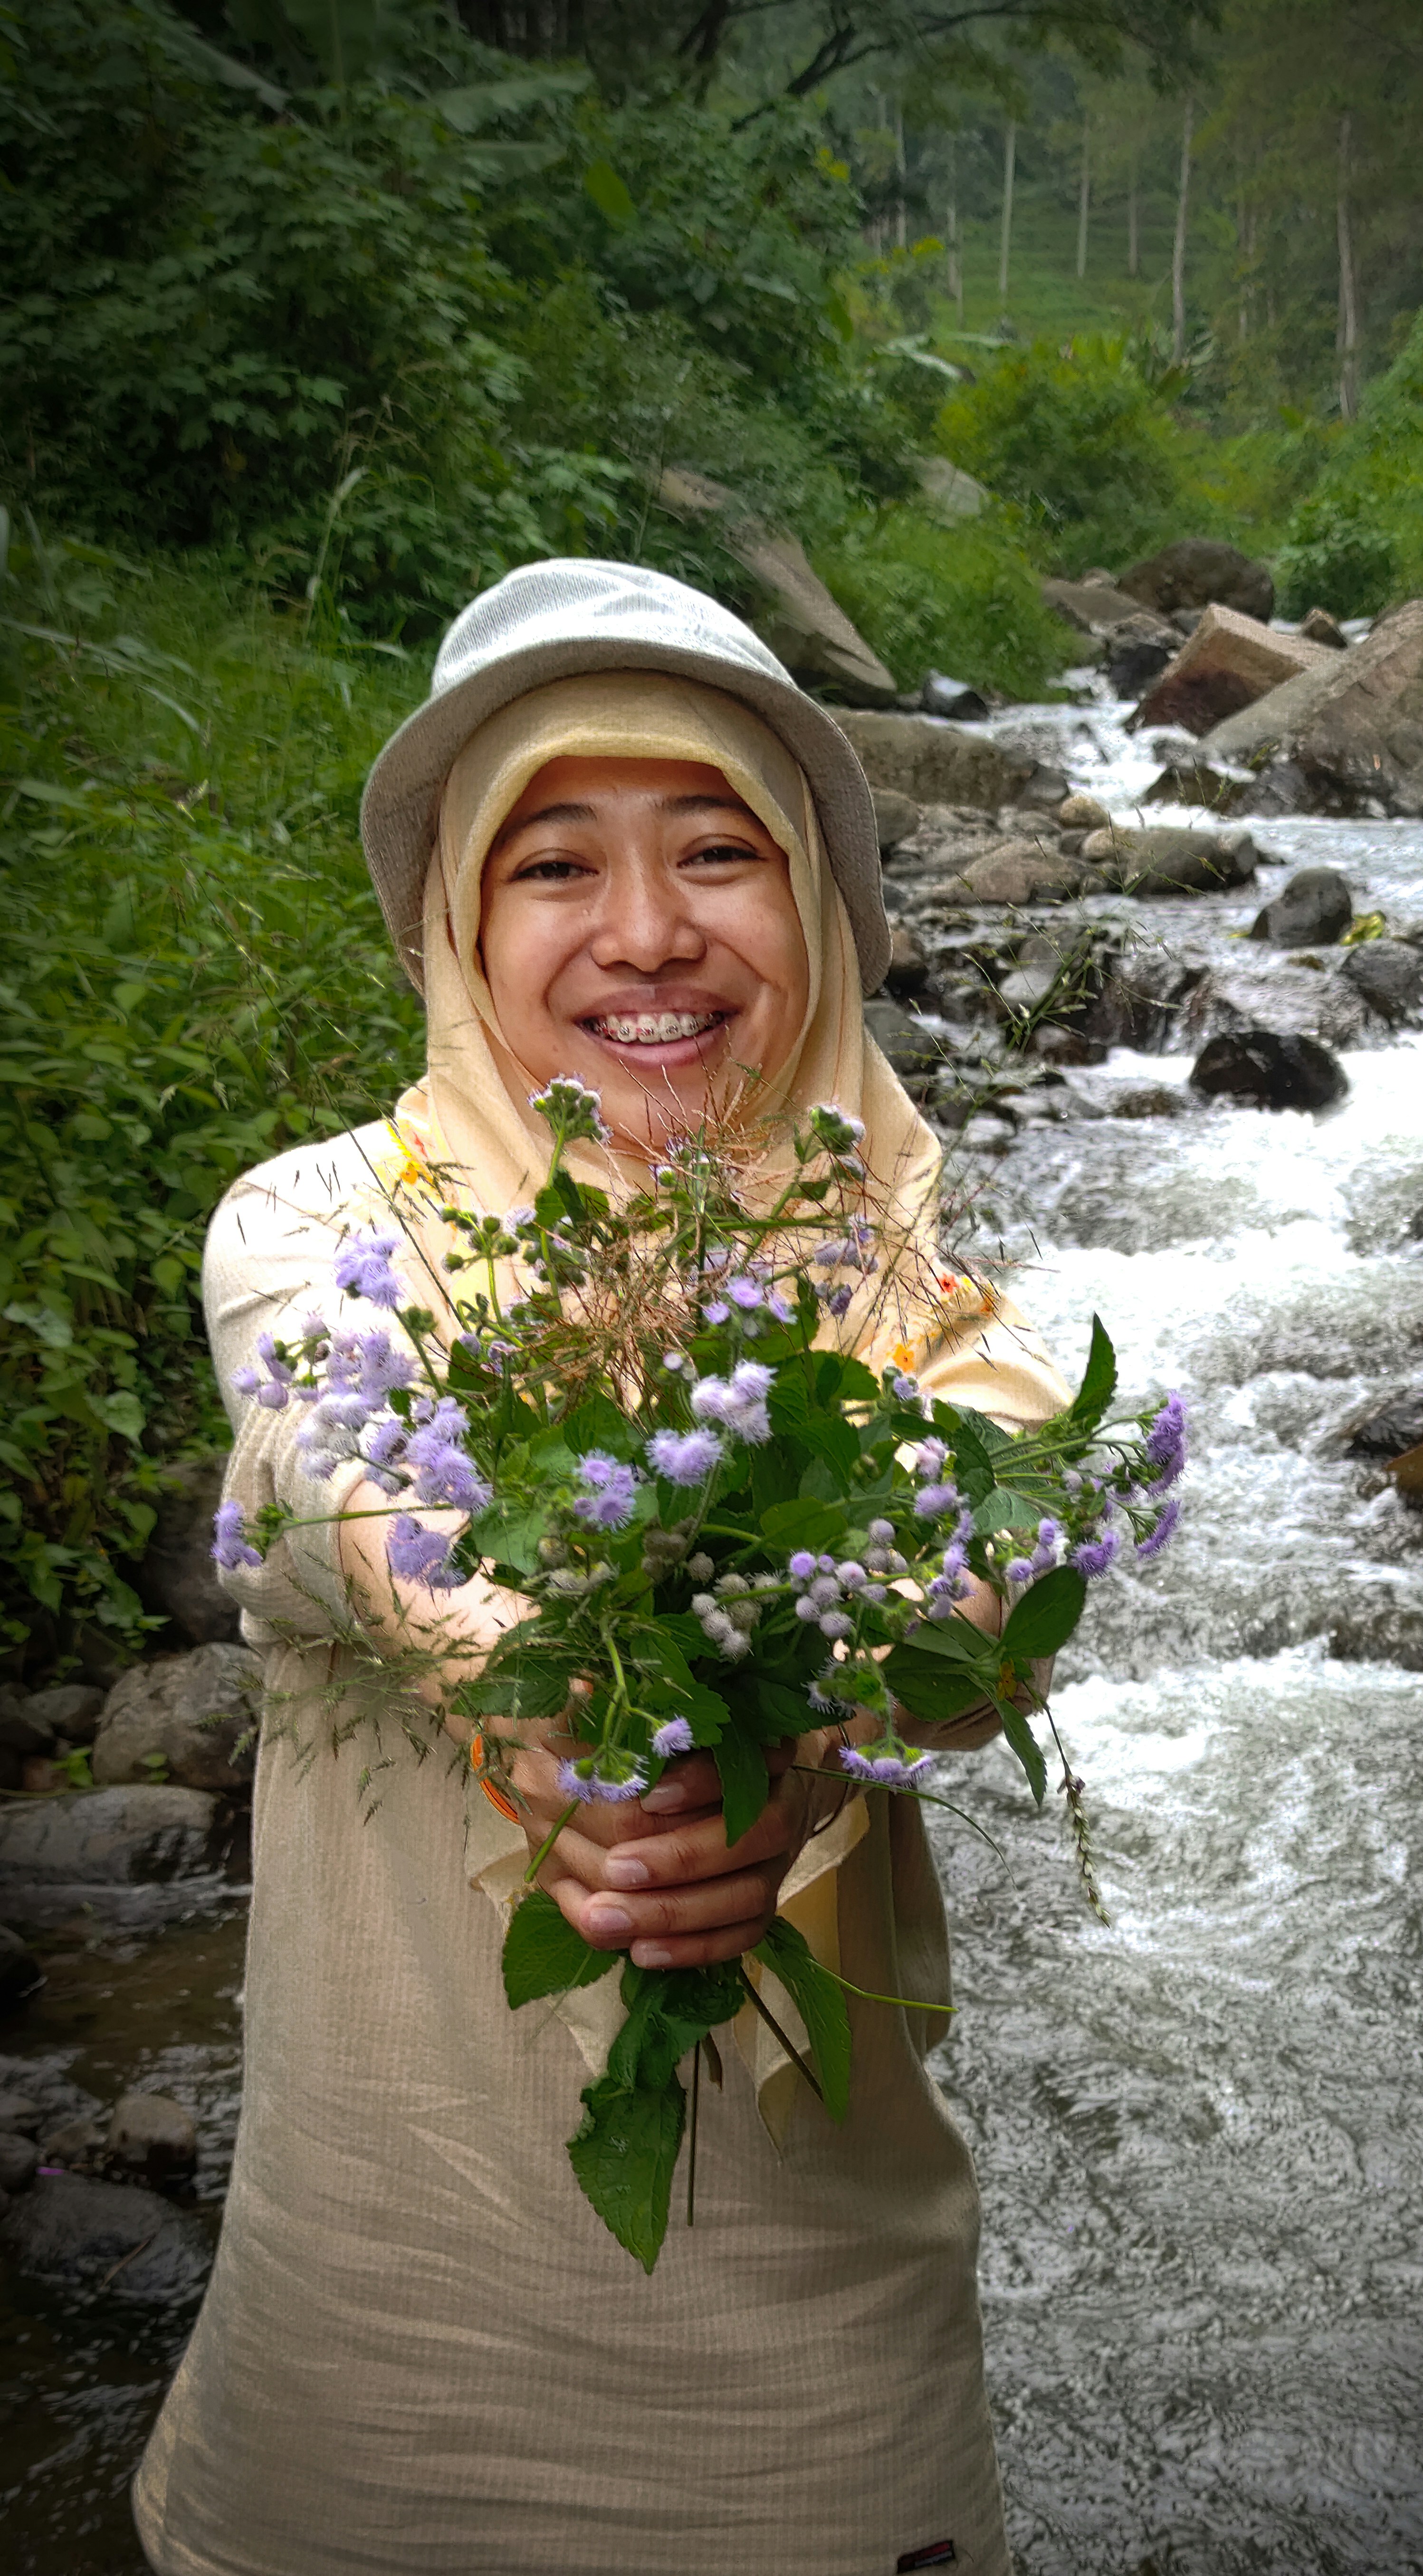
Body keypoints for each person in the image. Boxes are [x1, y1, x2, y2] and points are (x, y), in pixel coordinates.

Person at [133, 560, 1069, 2576]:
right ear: (462, 926)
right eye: (556, 864)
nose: (649, 934)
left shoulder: (914, 1280)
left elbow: (987, 1571)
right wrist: (534, 1697)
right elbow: (328, 1452)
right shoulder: (316, 1222)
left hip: (817, 2368)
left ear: (814, 911)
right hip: (383, 2337)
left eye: (719, 851)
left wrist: (804, 1759)